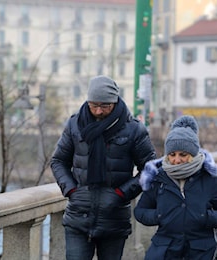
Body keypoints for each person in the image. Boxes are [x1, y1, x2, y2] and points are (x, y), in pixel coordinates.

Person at [50, 75, 157, 260]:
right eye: (94, 105)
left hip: (114, 217)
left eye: (105, 106)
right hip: (78, 216)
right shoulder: (75, 124)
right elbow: (58, 161)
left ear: (114, 102)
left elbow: (151, 169)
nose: (98, 111)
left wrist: (122, 194)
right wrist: (72, 190)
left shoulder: (133, 129)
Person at [134, 115, 217, 260]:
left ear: (193, 154)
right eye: (172, 154)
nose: (177, 160)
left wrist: (207, 217)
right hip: (165, 251)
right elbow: (140, 212)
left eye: (183, 154)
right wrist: (159, 215)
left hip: (202, 252)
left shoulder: (210, 178)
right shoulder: (158, 177)